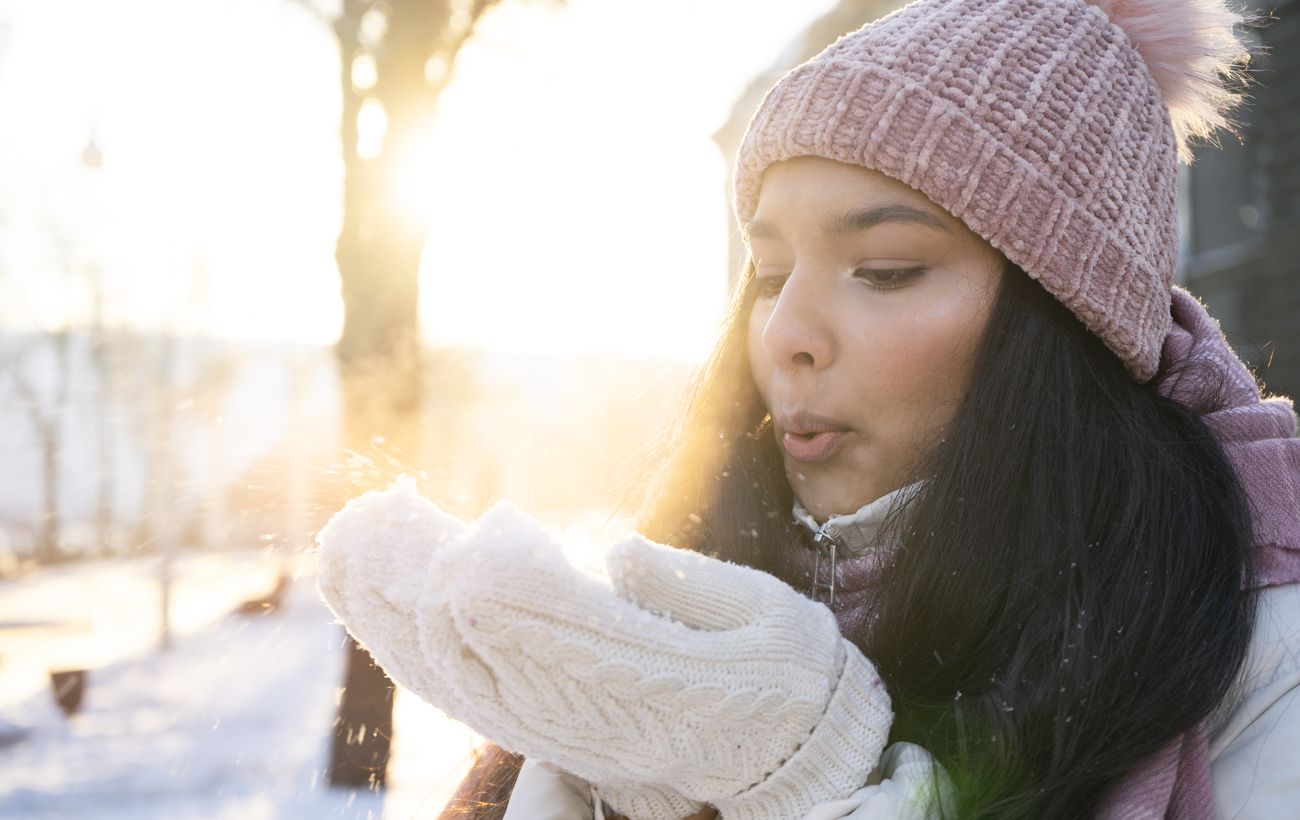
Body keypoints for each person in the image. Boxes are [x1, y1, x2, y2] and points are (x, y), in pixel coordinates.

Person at [316, 0, 1300, 817]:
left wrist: (807, 768)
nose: (785, 331)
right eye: (770, 270)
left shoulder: (1256, 650)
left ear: (1066, 321)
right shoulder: (674, 589)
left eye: (884, 269)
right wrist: (582, 762)